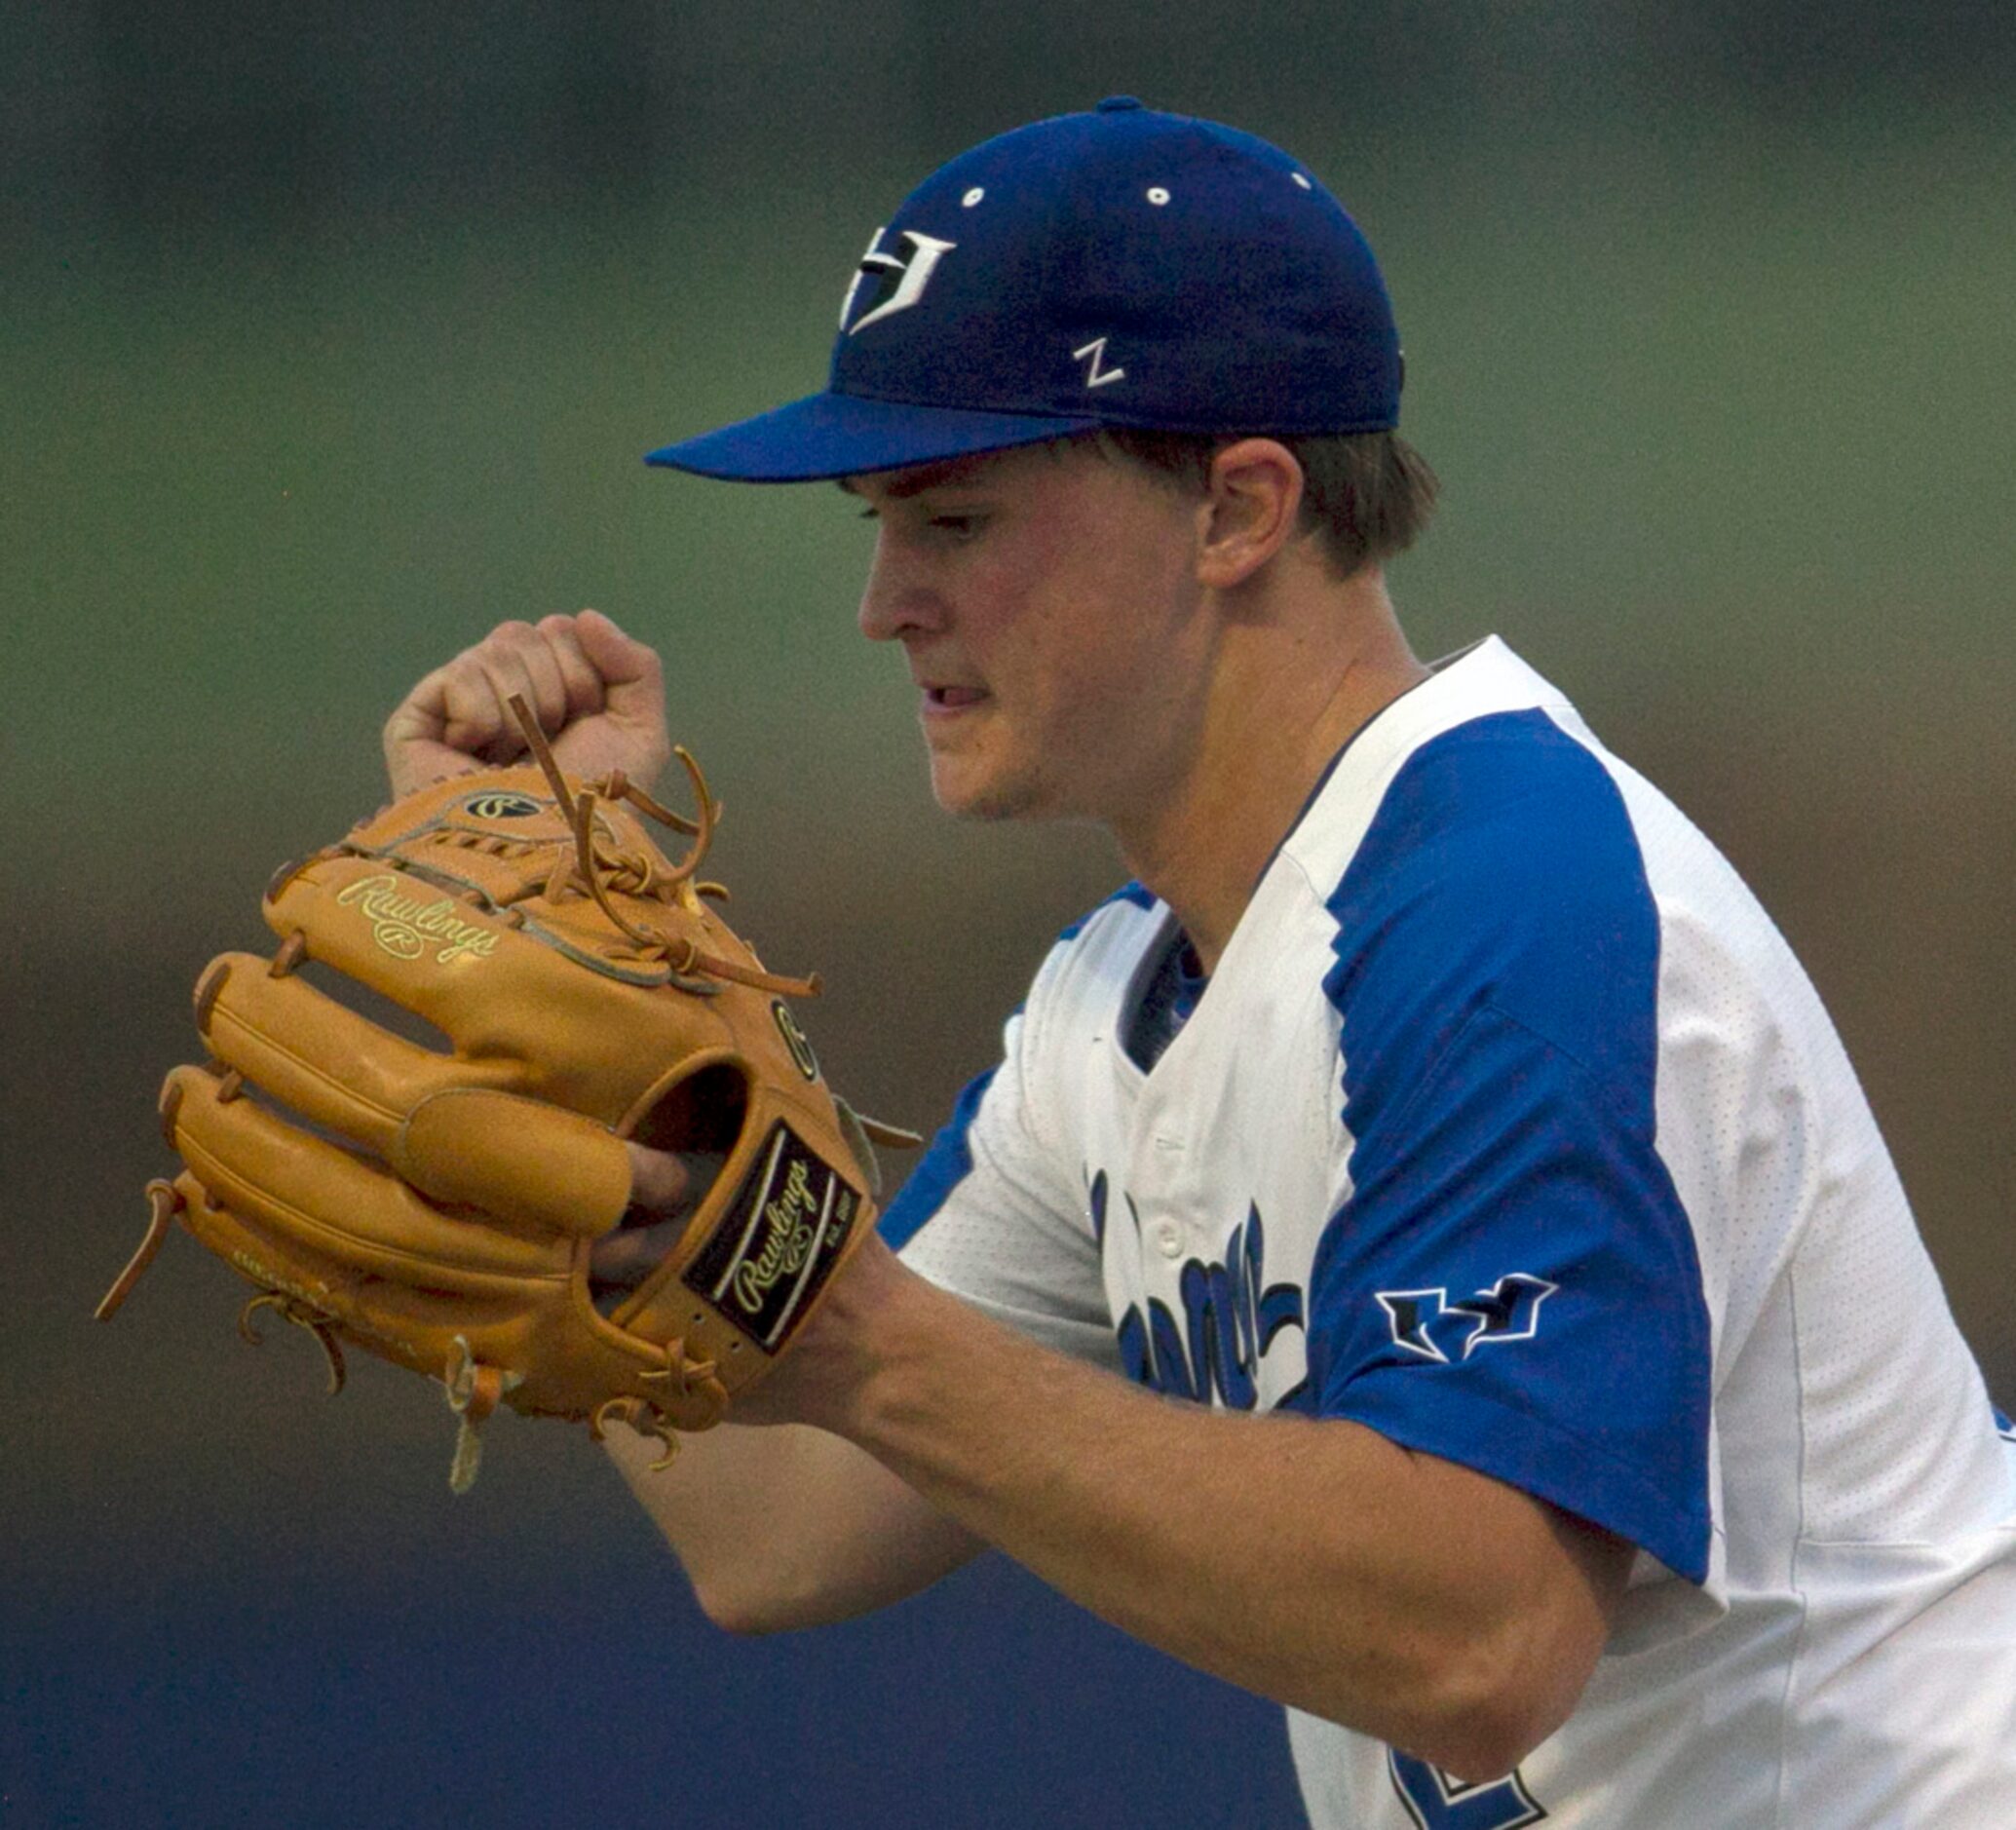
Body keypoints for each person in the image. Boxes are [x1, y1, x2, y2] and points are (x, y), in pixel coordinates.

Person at [381, 100, 2016, 1826]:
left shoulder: (1505, 894)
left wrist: (857, 1334)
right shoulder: (1111, 1014)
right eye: (878, 520)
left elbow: (1482, 1636)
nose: (883, 601)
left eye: (949, 517)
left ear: (1237, 506)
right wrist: (563, 988)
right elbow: (778, 1517)